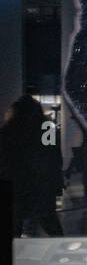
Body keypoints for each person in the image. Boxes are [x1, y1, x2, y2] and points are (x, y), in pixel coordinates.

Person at [0, 95, 65, 236]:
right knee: (48, 219)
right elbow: (53, 157)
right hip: (42, 183)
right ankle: (61, 245)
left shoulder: (9, 130)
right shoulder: (47, 128)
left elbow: (6, 159)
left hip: (18, 183)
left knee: (16, 222)